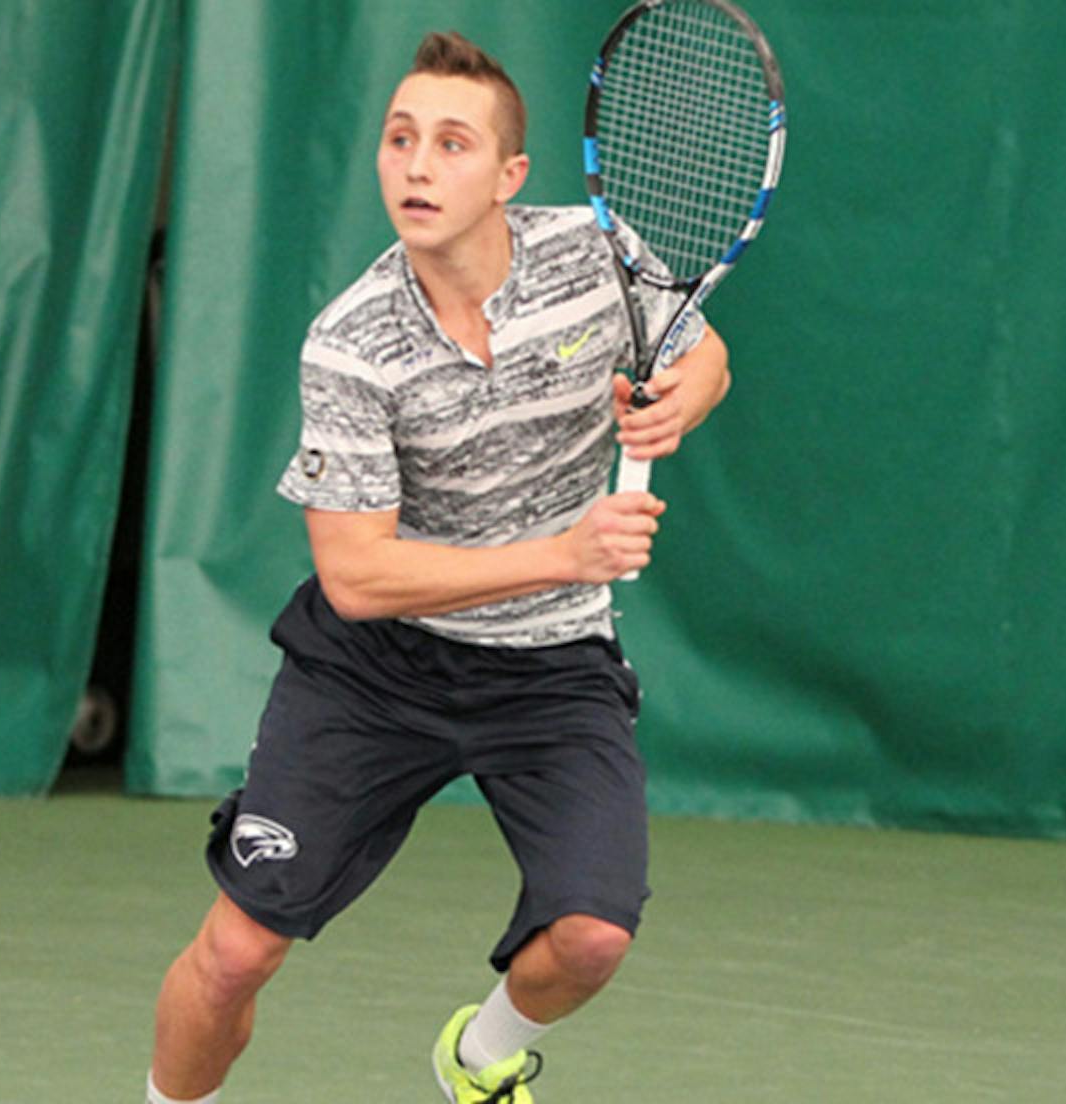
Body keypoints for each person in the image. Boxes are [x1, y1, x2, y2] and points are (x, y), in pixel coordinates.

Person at [147, 29, 730, 1104]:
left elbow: (699, 351)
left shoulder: (597, 252)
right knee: (234, 955)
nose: (415, 165)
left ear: (510, 176)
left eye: (451, 143)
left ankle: (477, 1056)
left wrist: (685, 394)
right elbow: (356, 578)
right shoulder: (350, 343)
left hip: (551, 671)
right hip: (371, 674)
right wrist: (564, 550)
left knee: (592, 937)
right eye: (399, 138)